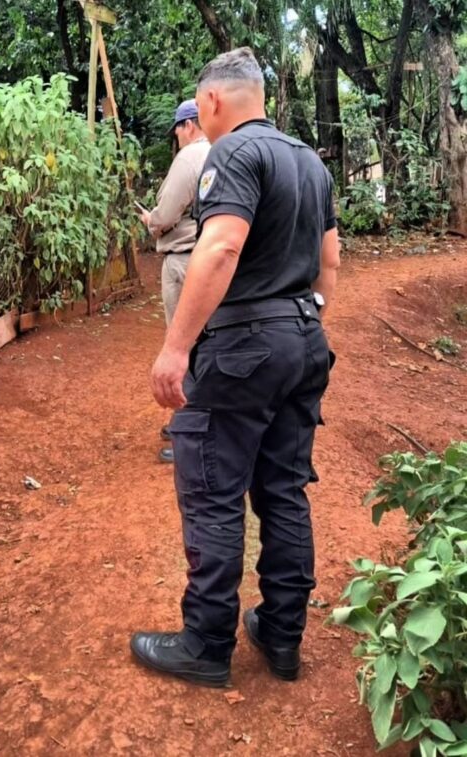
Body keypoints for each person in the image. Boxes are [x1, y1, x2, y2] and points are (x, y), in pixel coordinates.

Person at [130, 47, 340, 687]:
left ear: (213, 101)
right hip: (304, 337)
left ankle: (206, 643)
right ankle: (281, 636)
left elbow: (220, 246)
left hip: (244, 344)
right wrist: (303, 323)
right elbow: (330, 259)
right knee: (283, 489)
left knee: (213, 489)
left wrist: (175, 347)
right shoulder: (308, 161)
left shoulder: (233, 153)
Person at [139, 99, 211, 464]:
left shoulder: (190, 157)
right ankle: (185, 421)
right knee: (201, 340)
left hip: (184, 259)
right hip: (207, 260)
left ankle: (190, 430)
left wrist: (151, 220)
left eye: (178, 129)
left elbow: (166, 213)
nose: (177, 137)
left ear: (189, 125)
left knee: (184, 343)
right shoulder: (220, 151)